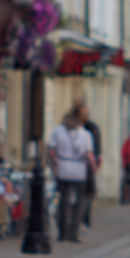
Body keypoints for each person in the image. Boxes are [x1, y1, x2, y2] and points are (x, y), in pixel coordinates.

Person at [47, 101, 96, 243]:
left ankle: (63, 231)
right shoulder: (85, 134)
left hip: (63, 168)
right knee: (81, 201)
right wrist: (93, 166)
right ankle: (73, 231)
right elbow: (89, 154)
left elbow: (51, 149)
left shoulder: (58, 131)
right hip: (79, 170)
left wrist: (55, 165)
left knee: (64, 201)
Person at [80, 102, 102, 229]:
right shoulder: (74, 128)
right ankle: (79, 218)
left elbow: (96, 148)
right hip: (78, 167)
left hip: (89, 167)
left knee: (89, 193)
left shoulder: (92, 128)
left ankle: (85, 218)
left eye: (86, 114)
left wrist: (97, 161)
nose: (85, 116)